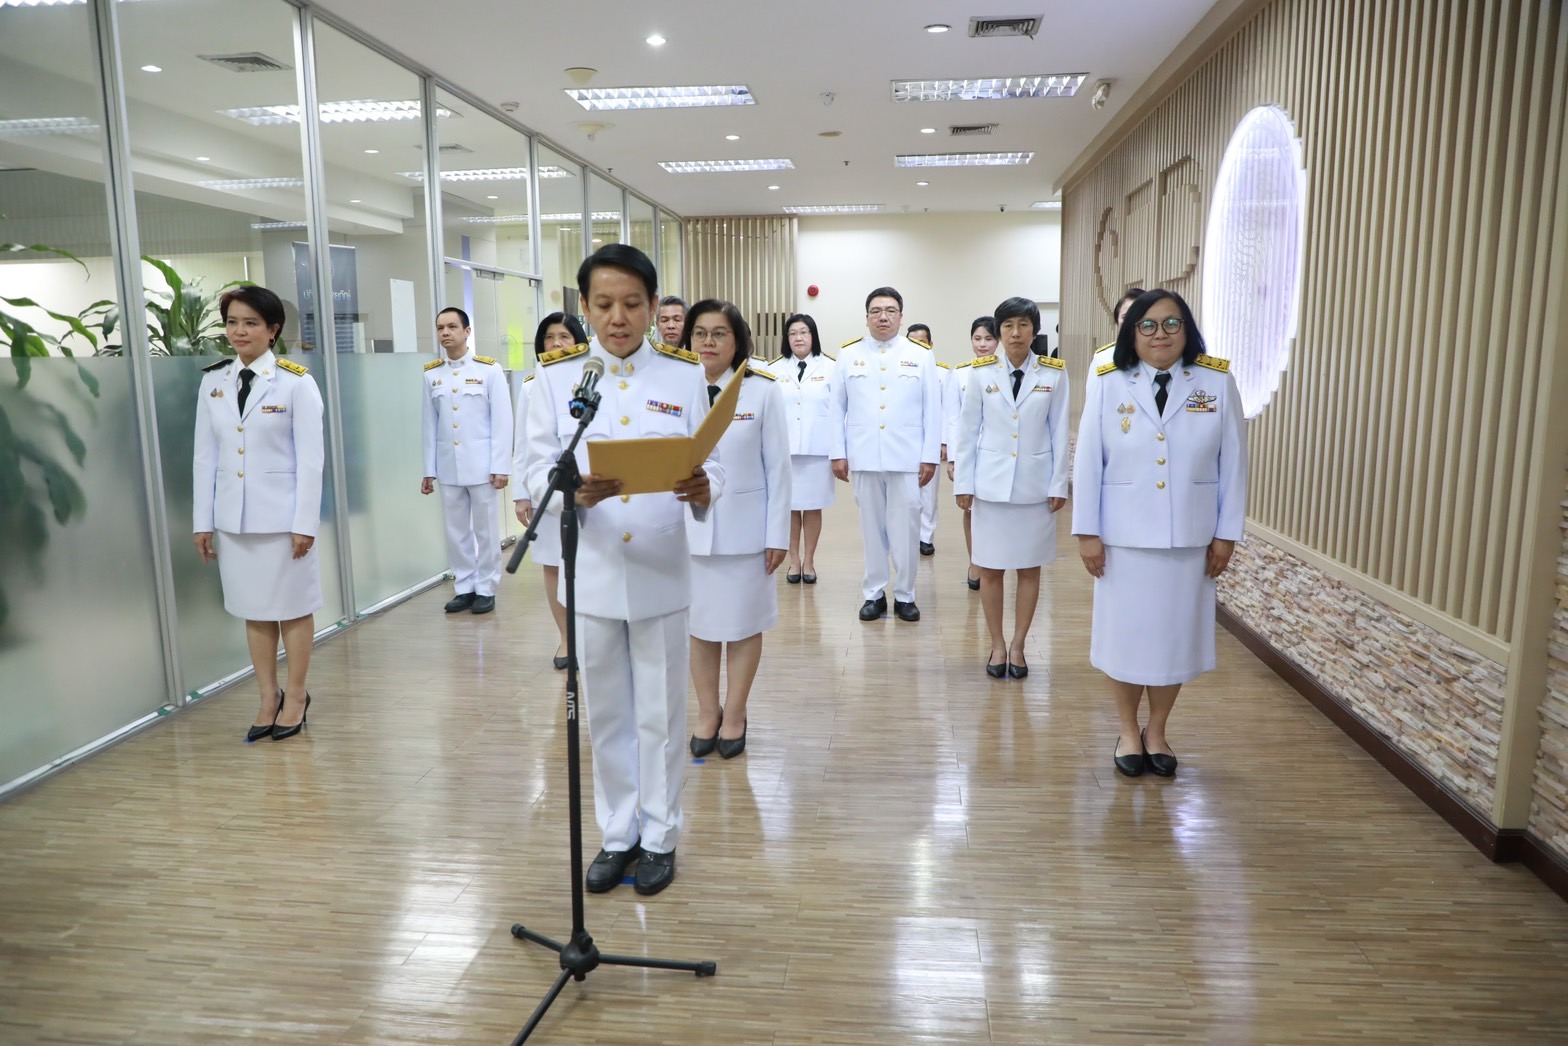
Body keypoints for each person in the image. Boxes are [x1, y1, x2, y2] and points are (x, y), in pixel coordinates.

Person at [520, 243, 722, 896]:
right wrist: (570, 488)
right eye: (603, 304)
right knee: (605, 710)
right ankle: (617, 834)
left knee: (661, 713)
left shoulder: (682, 374)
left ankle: (660, 835)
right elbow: (531, 470)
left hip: (662, 565)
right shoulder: (555, 379)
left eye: (633, 304)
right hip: (595, 570)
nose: (618, 318)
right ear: (584, 307)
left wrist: (703, 488)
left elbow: (710, 458)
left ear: (655, 306)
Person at [1072, 289, 1247, 778]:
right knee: (1126, 640)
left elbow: (1233, 462)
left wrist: (1226, 533)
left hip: (1188, 538)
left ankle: (1158, 729)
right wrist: (1087, 531)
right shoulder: (1110, 380)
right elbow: (1089, 459)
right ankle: (1128, 729)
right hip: (1122, 539)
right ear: (1132, 333)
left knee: (1173, 641)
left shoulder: (1214, 380)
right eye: (1147, 325)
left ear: (1187, 329)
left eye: (1171, 324)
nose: (1160, 334)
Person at [193, 285, 323, 743]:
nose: (239, 331)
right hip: (234, 522)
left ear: (273, 330)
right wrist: (202, 521)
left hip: (283, 522)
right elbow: (204, 458)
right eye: (232, 322)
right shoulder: (213, 381)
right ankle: (268, 697)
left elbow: (312, 460)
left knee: (292, 609)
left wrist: (305, 523)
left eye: (250, 323)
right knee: (255, 611)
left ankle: (298, 695)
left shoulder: (295, 382)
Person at [684, 300, 791, 760]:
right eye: (701, 333)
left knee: (744, 626)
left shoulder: (762, 391)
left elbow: (779, 469)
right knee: (700, 626)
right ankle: (708, 711)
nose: (709, 342)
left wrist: (778, 534)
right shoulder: (674, 388)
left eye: (719, 334)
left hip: (748, 530)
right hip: (688, 530)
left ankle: (736, 713)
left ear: (738, 340)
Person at [952, 298, 1069, 679]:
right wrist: (964, 484)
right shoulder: (981, 372)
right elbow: (967, 432)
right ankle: (997, 644)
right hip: (990, 487)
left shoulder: (1053, 374)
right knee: (989, 570)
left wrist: (1059, 482)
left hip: (1035, 488)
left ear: (1034, 330)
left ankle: (1019, 644)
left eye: (1022, 325)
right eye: (1008, 326)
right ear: (999, 332)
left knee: (1029, 570)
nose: (1015, 333)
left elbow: (1059, 430)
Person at [831, 287, 941, 623]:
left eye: (890, 310)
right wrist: (838, 452)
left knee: (906, 528)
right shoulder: (848, 355)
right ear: (866, 317)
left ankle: (905, 594)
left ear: (901, 317)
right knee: (871, 527)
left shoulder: (920, 355)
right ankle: (874, 593)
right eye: (876, 310)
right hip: (863, 456)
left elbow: (932, 410)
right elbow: (836, 408)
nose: (883, 316)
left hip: (906, 458)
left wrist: (930, 456)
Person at [420, 307, 513, 615]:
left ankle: (487, 587)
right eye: (440, 328)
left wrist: (501, 466)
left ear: (467, 331)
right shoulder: (432, 374)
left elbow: (502, 422)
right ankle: (464, 586)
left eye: (451, 327)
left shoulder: (489, 370)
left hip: (483, 467)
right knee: (456, 531)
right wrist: (428, 470)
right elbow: (428, 425)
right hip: (449, 466)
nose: (445, 333)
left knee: (486, 531)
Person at [513, 312, 587, 668]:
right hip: (547, 491)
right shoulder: (532, 385)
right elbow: (523, 446)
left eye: (564, 337)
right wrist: (521, 492)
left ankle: (588, 634)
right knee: (551, 563)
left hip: (587, 492)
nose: (556, 344)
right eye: (549, 338)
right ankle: (565, 638)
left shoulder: (593, 380)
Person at [769, 313, 835, 584]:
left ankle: (810, 560)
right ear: (787, 339)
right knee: (790, 507)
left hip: (817, 449)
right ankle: (793, 560)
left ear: (813, 336)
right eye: (793, 333)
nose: (798, 337)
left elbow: (840, 410)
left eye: (804, 332)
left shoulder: (831, 367)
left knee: (813, 506)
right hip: (784, 449)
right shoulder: (774, 369)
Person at [906, 322, 952, 557]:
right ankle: (908, 534)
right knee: (906, 491)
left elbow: (946, 410)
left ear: (930, 344)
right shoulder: (900, 369)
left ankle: (926, 536)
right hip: (906, 440)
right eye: (911, 341)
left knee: (928, 491)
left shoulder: (942, 372)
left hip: (930, 439)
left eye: (921, 342)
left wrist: (944, 441)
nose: (916, 346)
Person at [1094, 287, 1147, 365]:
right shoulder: (1103, 359)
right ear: (1117, 319)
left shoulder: (1164, 354)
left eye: (1140, 316)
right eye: (1126, 317)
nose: (1132, 322)